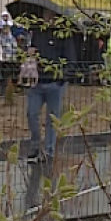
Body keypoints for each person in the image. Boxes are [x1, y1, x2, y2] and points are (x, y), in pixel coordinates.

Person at [26, 9, 78, 163]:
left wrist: (62, 77)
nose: (49, 18)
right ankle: (35, 145)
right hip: (37, 82)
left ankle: (48, 151)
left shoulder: (64, 35)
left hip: (55, 83)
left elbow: (71, 59)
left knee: (52, 119)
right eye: (46, 15)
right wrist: (29, 52)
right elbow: (29, 51)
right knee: (31, 114)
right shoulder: (37, 32)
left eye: (51, 16)